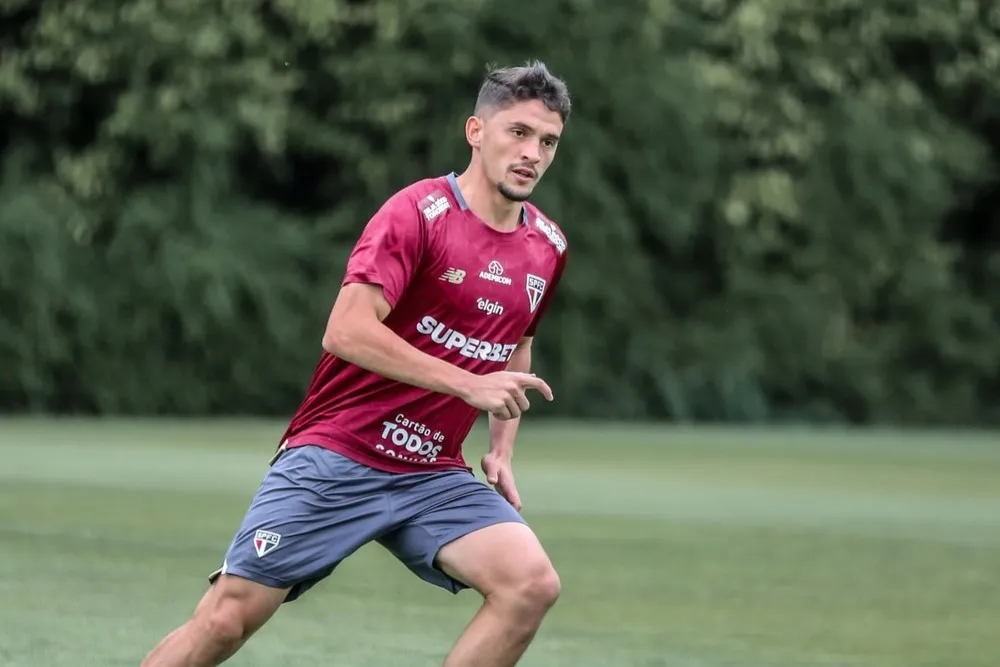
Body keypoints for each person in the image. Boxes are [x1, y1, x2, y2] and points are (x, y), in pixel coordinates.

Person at [140, 59, 572, 667]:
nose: (533, 153)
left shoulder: (547, 247)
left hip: (431, 475)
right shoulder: (418, 214)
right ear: (476, 131)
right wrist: (467, 384)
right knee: (227, 618)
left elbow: (516, 343)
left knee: (531, 586)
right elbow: (345, 331)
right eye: (519, 133)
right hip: (339, 453)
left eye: (548, 141)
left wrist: (501, 448)